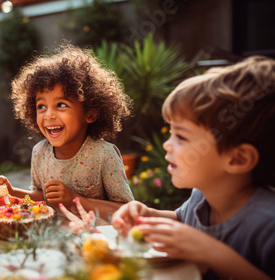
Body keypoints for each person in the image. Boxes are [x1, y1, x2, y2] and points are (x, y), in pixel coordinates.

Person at [112, 56, 275, 280]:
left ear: (237, 159)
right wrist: (147, 215)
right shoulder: (202, 197)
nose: (167, 144)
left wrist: (211, 251)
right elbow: (181, 220)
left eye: (181, 136)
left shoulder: (268, 223)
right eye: (170, 133)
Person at [0, 43, 134, 219]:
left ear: (90, 113)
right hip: (53, 237)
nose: (48, 115)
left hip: (95, 241)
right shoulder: (40, 153)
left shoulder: (104, 155)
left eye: (61, 105)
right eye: (41, 106)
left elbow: (127, 210)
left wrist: (76, 200)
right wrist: (13, 192)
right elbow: (43, 199)